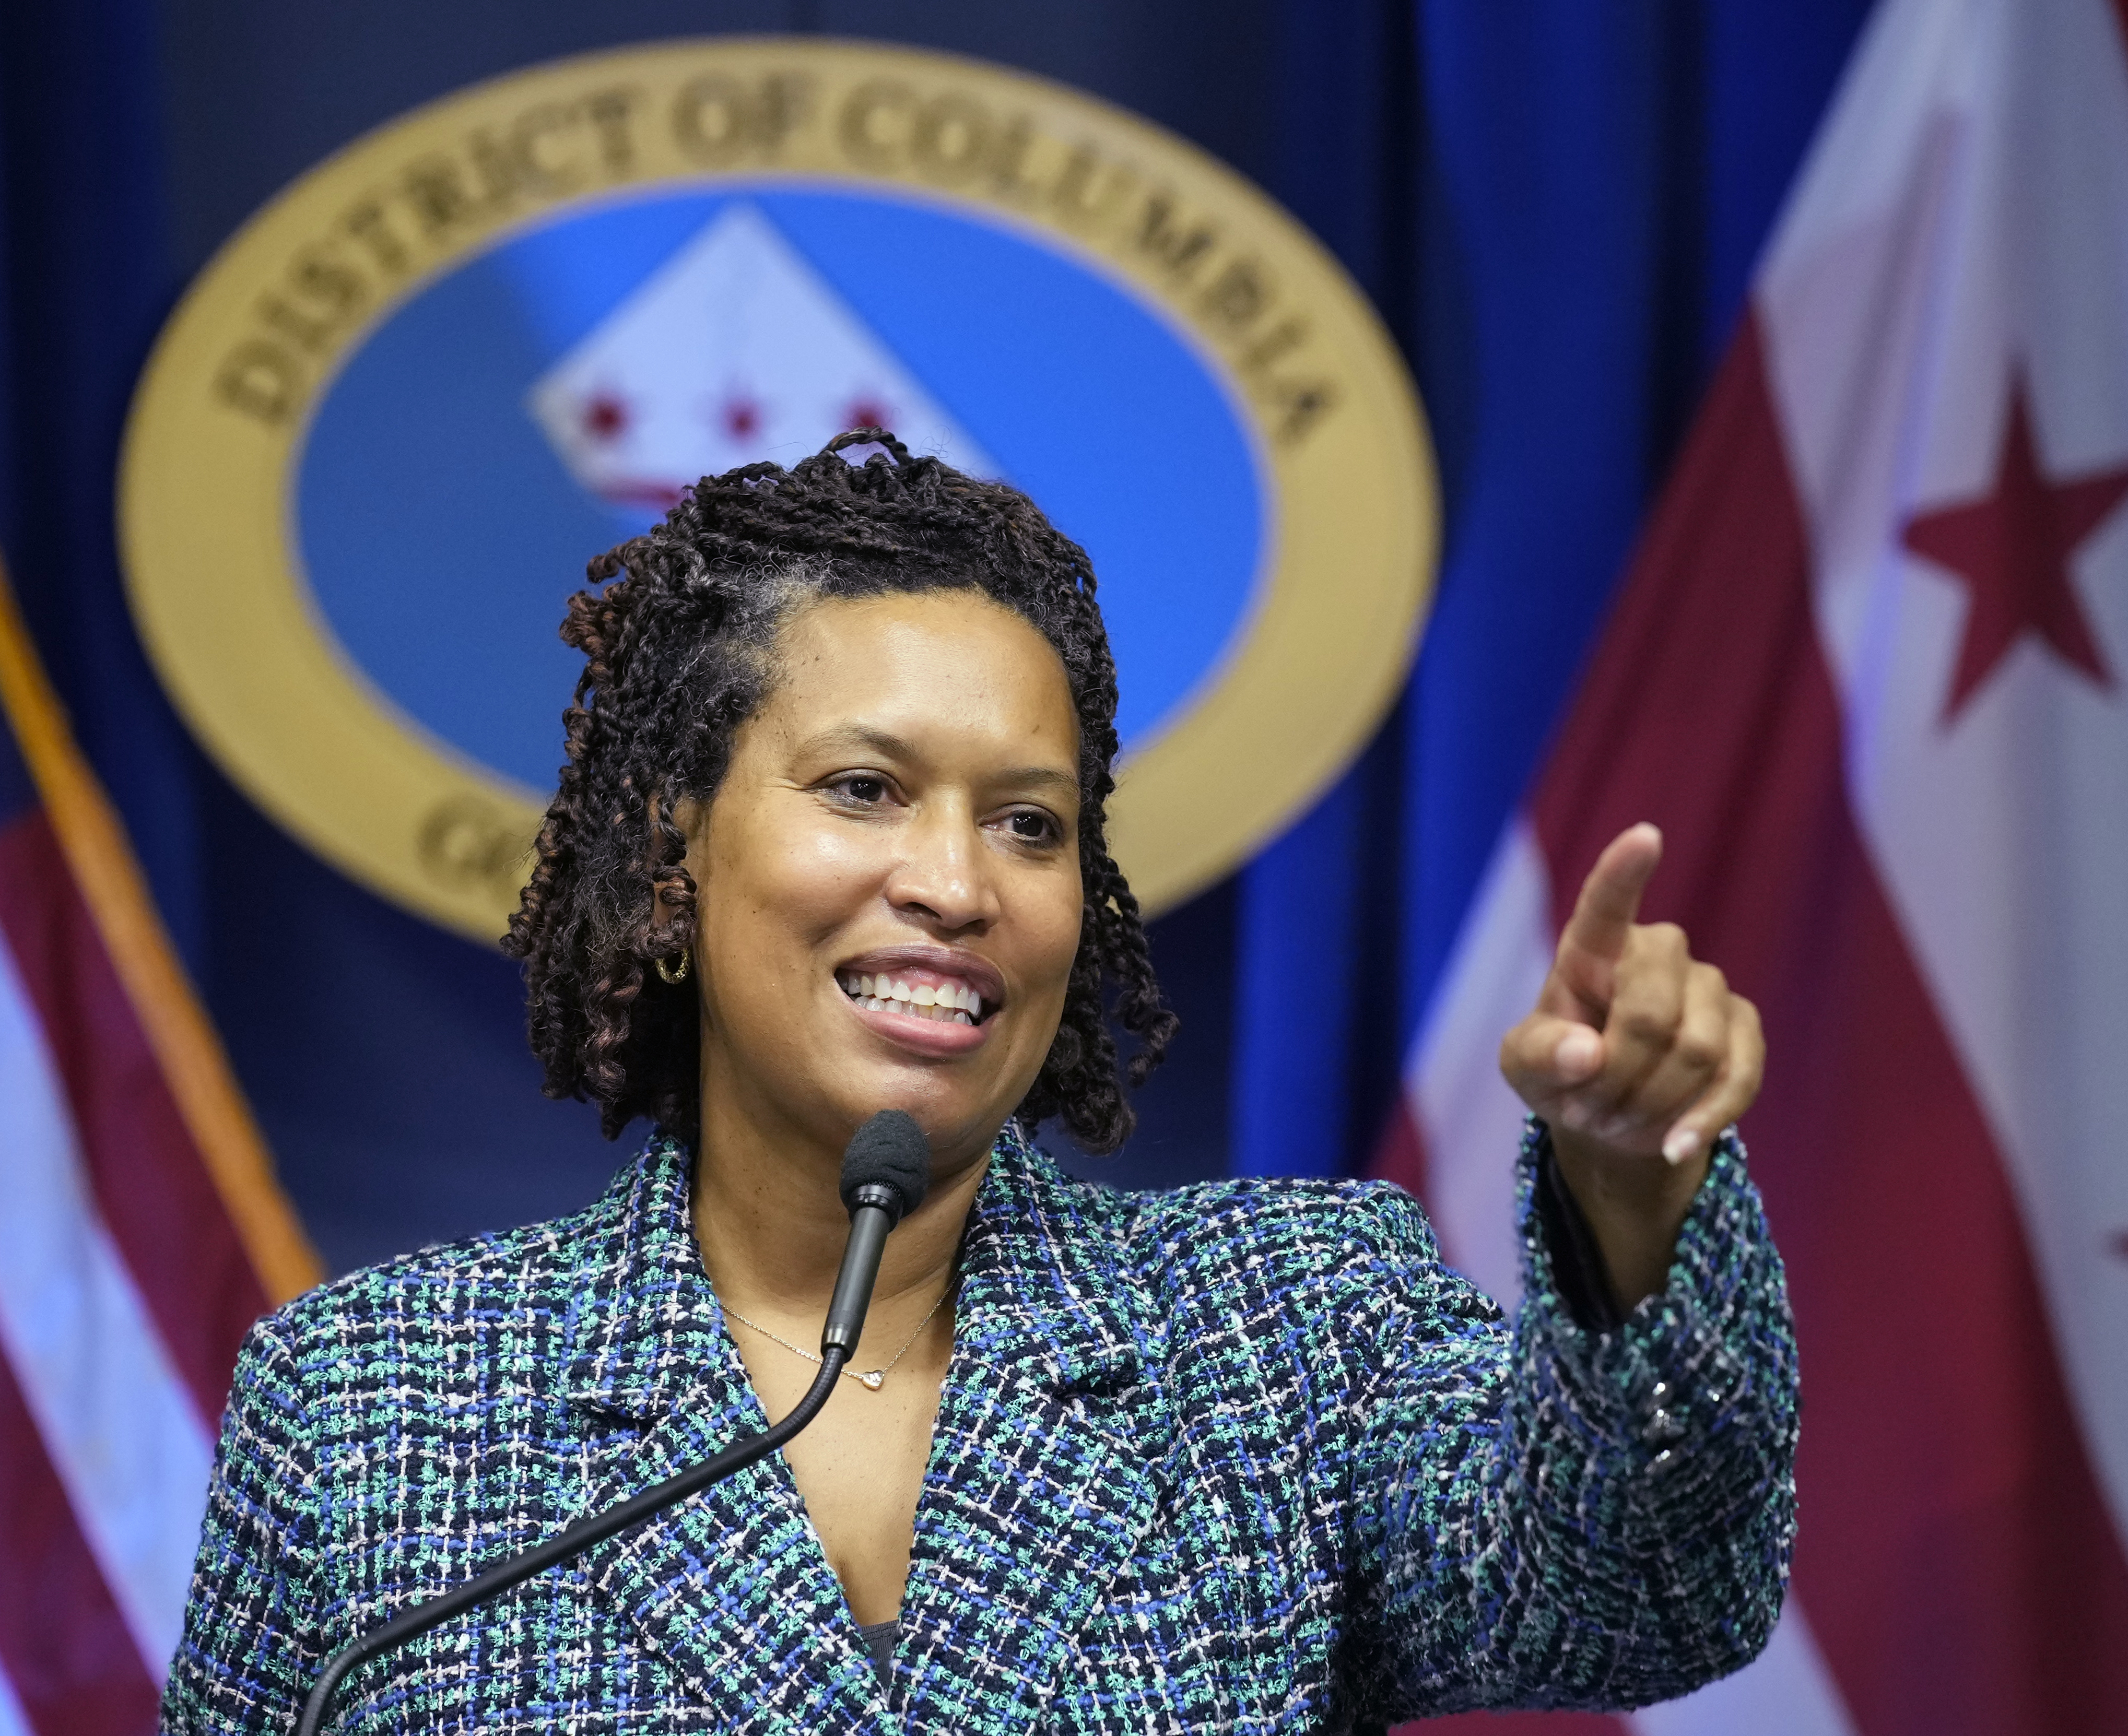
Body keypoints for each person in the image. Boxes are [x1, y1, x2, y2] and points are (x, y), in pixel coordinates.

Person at [161, 432, 1797, 1733]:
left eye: (1029, 822)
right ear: (676, 851)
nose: (959, 882)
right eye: (865, 789)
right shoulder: (374, 1407)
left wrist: (1628, 1192)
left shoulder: (1283, 1333)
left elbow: (1641, 1591)